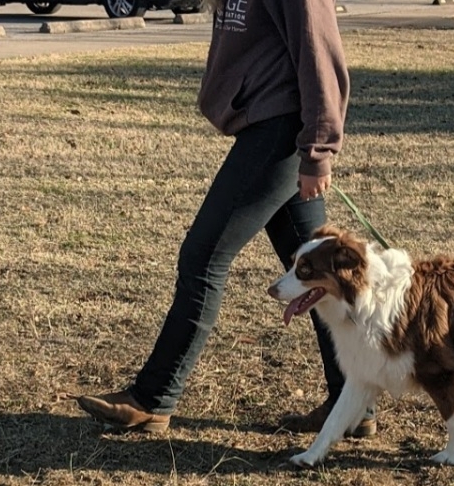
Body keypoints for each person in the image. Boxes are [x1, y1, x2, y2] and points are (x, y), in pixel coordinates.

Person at [75, 0, 375, 438]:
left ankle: (152, 399)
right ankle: (353, 402)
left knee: (202, 258)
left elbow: (319, 54)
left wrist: (318, 150)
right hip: (267, 126)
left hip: (281, 132)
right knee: (320, 274)